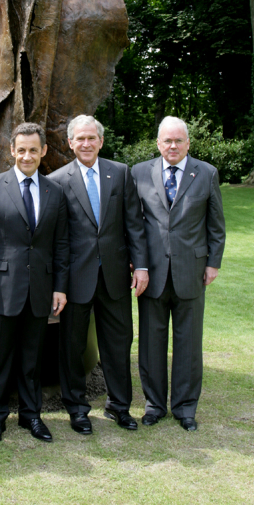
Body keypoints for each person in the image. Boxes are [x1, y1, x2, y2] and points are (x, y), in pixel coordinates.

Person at [0, 123, 69, 446]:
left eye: (33, 150)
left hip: (40, 288)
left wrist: (60, 286)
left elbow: (61, 244)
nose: (27, 155)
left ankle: (31, 415)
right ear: (12, 151)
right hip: (2, 288)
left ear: (43, 152)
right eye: (21, 149)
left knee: (32, 358)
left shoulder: (55, 191)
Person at [48, 115, 148, 435]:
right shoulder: (57, 180)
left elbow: (134, 223)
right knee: (73, 347)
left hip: (116, 276)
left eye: (92, 138)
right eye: (80, 139)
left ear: (101, 141)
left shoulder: (119, 173)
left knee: (118, 345)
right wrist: (57, 284)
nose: (86, 143)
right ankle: (77, 409)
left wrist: (141, 265)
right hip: (76, 278)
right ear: (71, 143)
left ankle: (119, 407)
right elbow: (57, 238)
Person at [132, 116, 225, 431]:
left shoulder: (207, 173)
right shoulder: (139, 173)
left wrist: (213, 263)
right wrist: (138, 265)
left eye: (178, 140)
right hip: (152, 275)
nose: (172, 146)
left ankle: (185, 409)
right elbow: (134, 227)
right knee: (151, 343)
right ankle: (154, 405)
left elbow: (216, 225)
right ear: (158, 143)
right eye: (167, 141)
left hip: (192, 272)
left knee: (188, 343)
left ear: (188, 143)